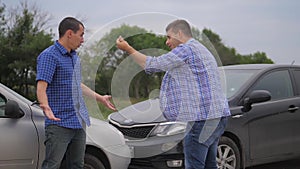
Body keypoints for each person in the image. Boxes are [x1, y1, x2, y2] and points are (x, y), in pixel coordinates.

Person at [116, 19, 230, 169]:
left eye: (169, 37)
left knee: (194, 165)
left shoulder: (186, 50)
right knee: (209, 165)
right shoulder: (201, 48)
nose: (166, 42)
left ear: (180, 33)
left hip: (201, 120)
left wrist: (128, 49)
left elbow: (152, 64)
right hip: (217, 116)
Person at [36, 17, 116, 169]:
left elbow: (77, 85)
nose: (83, 40)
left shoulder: (74, 57)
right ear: (69, 34)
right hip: (59, 122)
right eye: (81, 35)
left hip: (78, 121)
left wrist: (100, 98)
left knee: (77, 165)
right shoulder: (49, 56)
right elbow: (41, 85)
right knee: (52, 165)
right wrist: (44, 105)